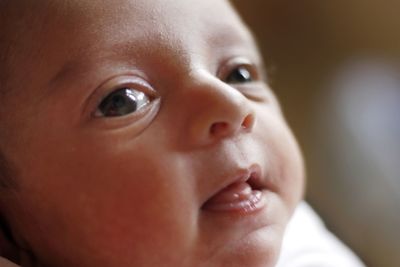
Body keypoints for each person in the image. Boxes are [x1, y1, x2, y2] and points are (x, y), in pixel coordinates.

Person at [0, 0, 365, 266]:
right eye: (124, 101)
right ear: (9, 232)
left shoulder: (301, 244)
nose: (234, 107)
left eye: (239, 75)